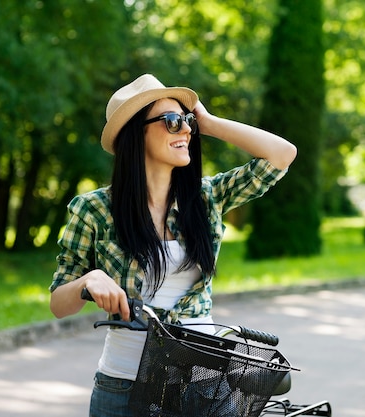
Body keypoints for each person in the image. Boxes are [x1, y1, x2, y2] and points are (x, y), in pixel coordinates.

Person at [48, 73, 296, 417]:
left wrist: (208, 122)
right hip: (123, 386)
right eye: (172, 121)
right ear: (136, 133)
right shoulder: (93, 210)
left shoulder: (206, 198)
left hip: (201, 385)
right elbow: (60, 304)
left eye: (187, 121)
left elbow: (282, 155)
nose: (186, 130)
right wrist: (87, 280)